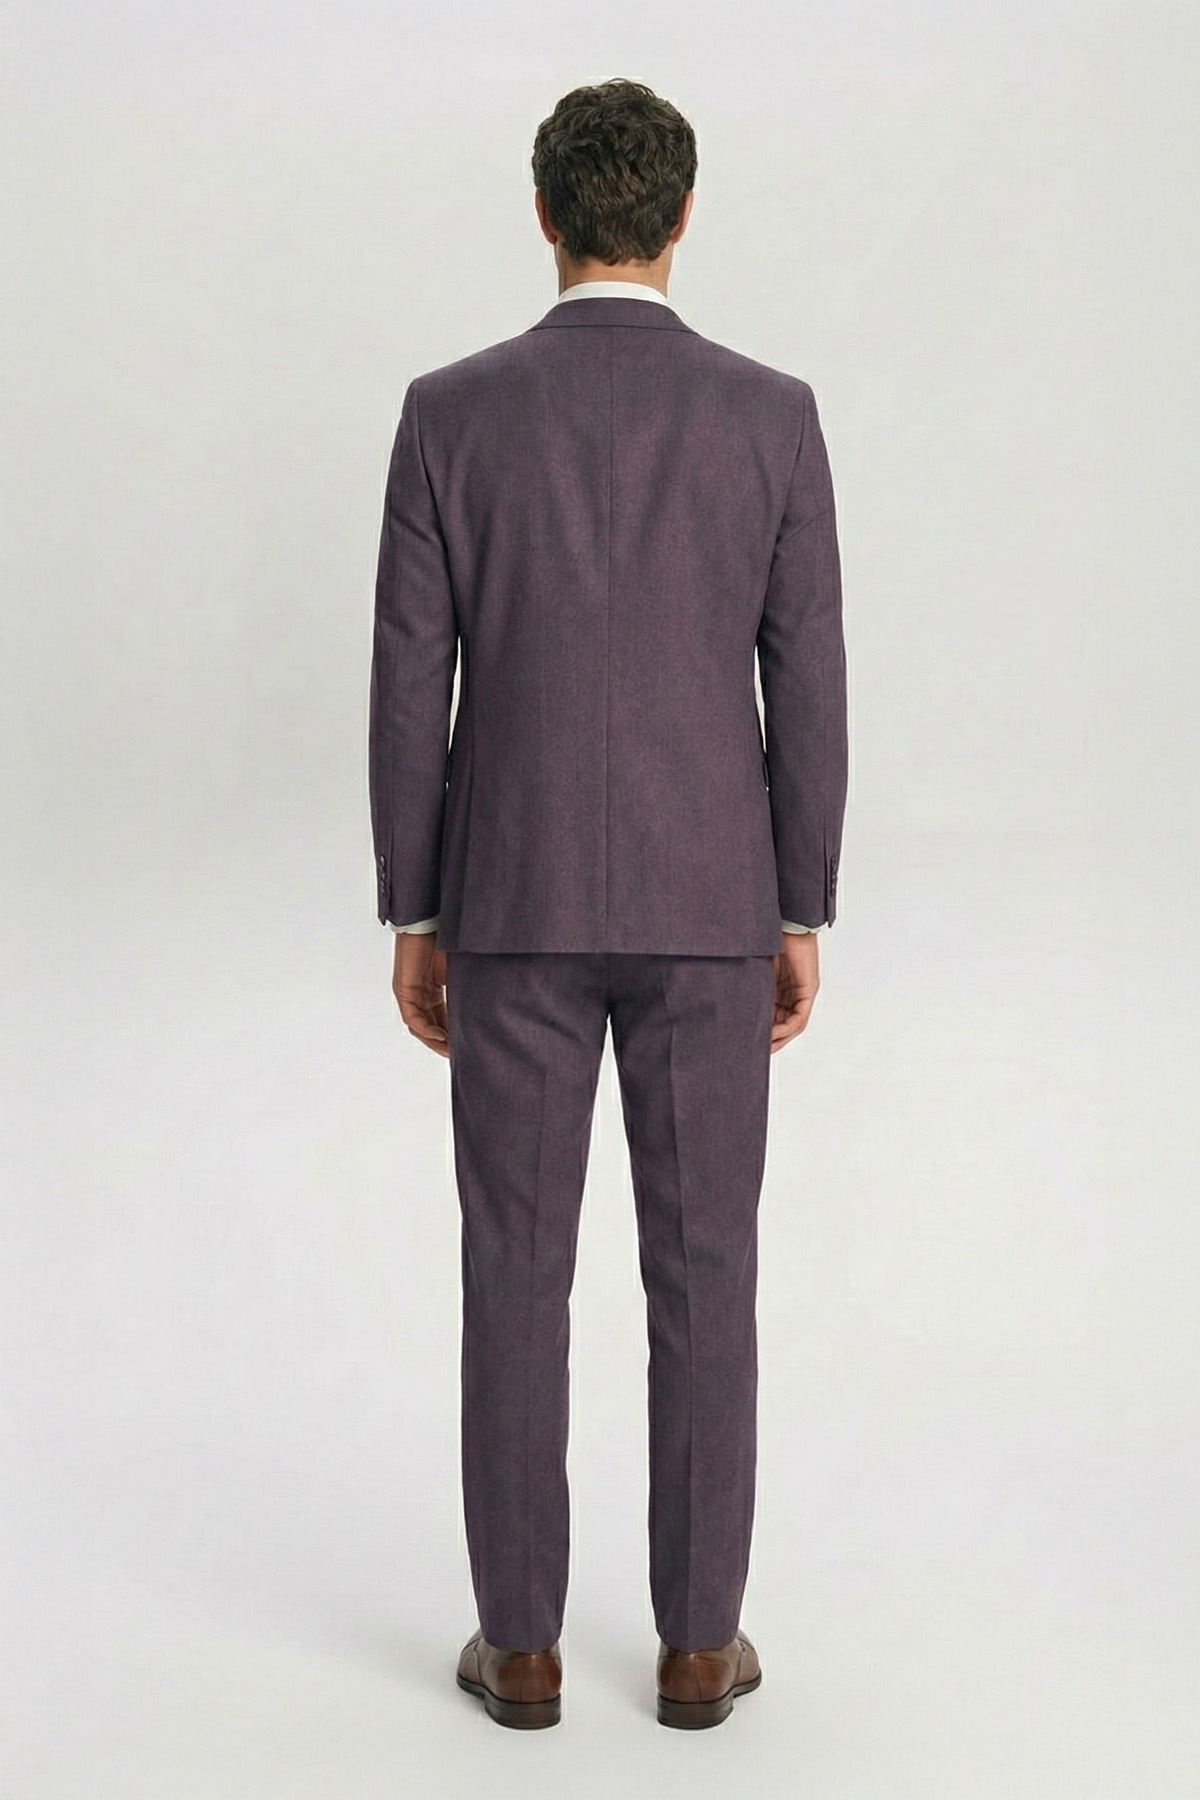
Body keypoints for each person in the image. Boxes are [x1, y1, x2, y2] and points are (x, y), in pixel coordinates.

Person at [368, 76, 848, 1731]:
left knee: (513, 1272)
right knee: (707, 1274)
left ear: (545, 216)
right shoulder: (772, 416)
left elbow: (409, 683)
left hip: (507, 903)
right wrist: (800, 906)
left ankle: (520, 1650)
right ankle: (700, 1647)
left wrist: (416, 909)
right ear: (684, 218)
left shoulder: (449, 413)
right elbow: (808, 682)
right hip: (715, 902)